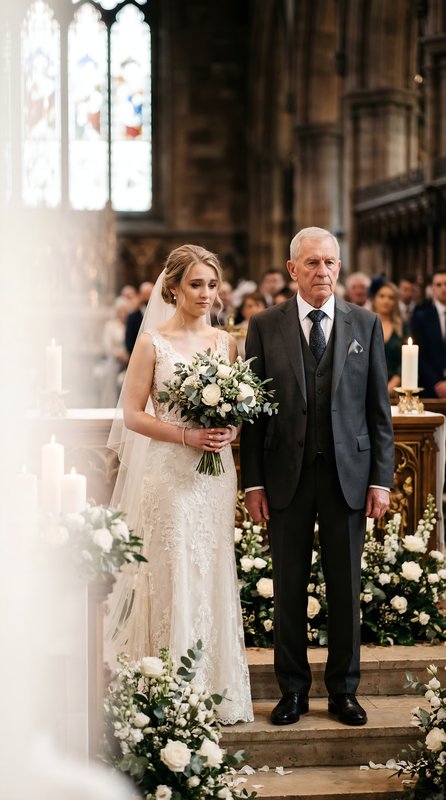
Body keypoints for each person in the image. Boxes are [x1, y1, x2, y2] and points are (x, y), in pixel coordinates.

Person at [240, 226, 394, 728]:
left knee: (345, 589)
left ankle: (344, 691)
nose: (323, 271)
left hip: (347, 477)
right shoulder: (265, 325)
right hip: (287, 476)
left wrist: (381, 480)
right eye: (312, 263)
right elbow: (254, 413)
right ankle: (292, 690)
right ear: (292, 270)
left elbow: (378, 411)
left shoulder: (366, 324)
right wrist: (254, 482)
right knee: (288, 586)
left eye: (330, 262)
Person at [106, 244, 253, 725]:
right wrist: (185, 434)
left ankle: (213, 686)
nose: (206, 293)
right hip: (169, 472)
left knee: (210, 567)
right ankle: (167, 685)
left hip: (214, 475)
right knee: (172, 568)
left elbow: (238, 413)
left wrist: (231, 429)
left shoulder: (226, 343)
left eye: (212, 284)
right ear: (173, 287)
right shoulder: (152, 342)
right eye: (196, 284)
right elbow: (131, 415)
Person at [411, 269, 446, 398]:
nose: (443, 288)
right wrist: (437, 382)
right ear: (432, 288)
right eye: (439, 285)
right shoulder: (421, 316)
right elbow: (419, 354)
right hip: (431, 388)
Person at [372, 281, 409, 397]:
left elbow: (408, 359)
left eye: (391, 297)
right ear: (374, 298)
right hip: (370, 386)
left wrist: (394, 382)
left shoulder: (402, 328)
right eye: (382, 296)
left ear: (395, 302)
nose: (386, 301)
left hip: (397, 388)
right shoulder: (363, 325)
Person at [100, 296, 130, 406]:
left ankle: (125, 406)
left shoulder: (130, 325)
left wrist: (128, 356)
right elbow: (107, 346)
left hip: (128, 359)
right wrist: (118, 355)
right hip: (114, 358)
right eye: (120, 311)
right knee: (111, 375)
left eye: (124, 311)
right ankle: (109, 405)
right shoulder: (110, 325)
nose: (122, 314)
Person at [125, 281, 154, 355]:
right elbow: (129, 342)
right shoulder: (132, 317)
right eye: (145, 294)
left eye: (150, 294)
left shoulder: (162, 314)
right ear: (140, 295)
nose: (148, 297)